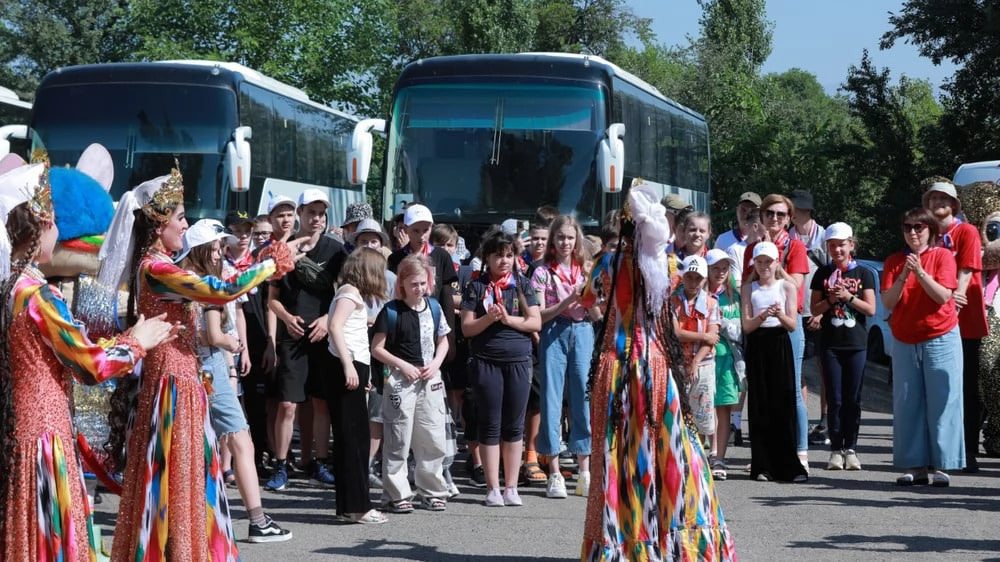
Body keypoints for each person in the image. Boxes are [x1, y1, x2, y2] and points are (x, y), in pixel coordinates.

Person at [98, 166, 294, 559]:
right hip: (171, 383)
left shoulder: (163, 265)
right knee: (178, 471)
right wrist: (270, 264)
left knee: (186, 470)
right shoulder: (156, 268)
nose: (185, 225)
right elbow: (219, 290)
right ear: (159, 225)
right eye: (181, 218)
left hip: (182, 378)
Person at [0, 162, 174, 561]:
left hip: (23, 430)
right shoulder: (37, 296)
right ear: (42, 227)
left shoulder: (12, 286)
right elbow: (90, 364)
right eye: (56, 223)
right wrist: (136, 342)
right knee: (51, 534)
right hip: (44, 437)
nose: (60, 232)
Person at [580, 181, 735, 560]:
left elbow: (587, 300)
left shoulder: (608, 263)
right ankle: (669, 541)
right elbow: (665, 312)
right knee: (670, 450)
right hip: (654, 366)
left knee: (618, 457)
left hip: (616, 367)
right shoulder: (667, 267)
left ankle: (623, 544)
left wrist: (610, 320)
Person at [177, 220, 292, 542]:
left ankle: (191, 520)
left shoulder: (180, 281)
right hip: (210, 366)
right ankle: (257, 519)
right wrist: (231, 344)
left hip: (191, 368)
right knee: (241, 440)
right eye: (214, 249)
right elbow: (213, 335)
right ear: (202, 252)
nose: (219, 254)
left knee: (200, 446)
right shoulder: (207, 283)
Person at [265, 189, 342, 492]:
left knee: (321, 403)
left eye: (321, 213)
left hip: (324, 337)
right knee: (287, 405)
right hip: (292, 338)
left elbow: (347, 295)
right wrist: (285, 318)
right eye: (311, 212)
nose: (316, 218)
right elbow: (271, 299)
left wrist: (327, 320)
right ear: (299, 214)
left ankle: (320, 462)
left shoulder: (337, 251)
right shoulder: (282, 252)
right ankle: (281, 464)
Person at [883, 208, 964, 487]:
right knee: (908, 404)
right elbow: (888, 303)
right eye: (908, 227)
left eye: (919, 227)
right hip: (905, 339)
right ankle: (914, 466)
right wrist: (905, 275)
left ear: (930, 230)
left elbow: (943, 296)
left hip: (940, 336)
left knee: (943, 402)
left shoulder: (942, 256)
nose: (913, 232)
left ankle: (943, 466)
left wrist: (920, 272)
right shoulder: (895, 262)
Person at [461, 232, 541, 506]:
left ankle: (512, 487)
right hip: (486, 362)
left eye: (509, 255)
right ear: (487, 258)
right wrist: (488, 319)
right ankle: (492, 488)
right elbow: (467, 328)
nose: (504, 261)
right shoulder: (476, 286)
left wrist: (508, 320)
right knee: (490, 424)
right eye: (498, 255)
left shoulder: (523, 284)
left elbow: (535, 323)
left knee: (514, 425)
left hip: (519, 361)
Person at [371, 254, 452, 513]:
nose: (418, 289)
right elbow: (377, 348)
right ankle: (396, 494)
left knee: (432, 436)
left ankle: (432, 490)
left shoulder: (434, 308)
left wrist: (436, 363)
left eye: (422, 283)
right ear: (402, 284)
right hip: (401, 380)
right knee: (398, 438)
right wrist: (402, 365)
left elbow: (444, 340)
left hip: (430, 378)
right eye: (413, 284)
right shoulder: (391, 311)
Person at [744, 194, 811, 473]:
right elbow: (747, 283)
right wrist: (761, 253)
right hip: (760, 327)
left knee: (791, 390)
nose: (774, 219)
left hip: (786, 323)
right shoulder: (752, 249)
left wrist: (771, 257)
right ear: (761, 215)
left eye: (781, 215)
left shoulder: (794, 246)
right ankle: (767, 453)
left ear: (789, 219)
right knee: (762, 393)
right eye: (769, 213)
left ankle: (800, 450)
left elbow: (794, 285)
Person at [923, 180, 987, 472]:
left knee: (966, 387)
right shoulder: (927, 234)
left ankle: (968, 449)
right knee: (940, 387)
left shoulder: (966, 230)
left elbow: (968, 267)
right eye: (933, 198)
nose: (937, 202)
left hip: (963, 317)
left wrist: (956, 296)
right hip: (935, 316)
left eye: (943, 198)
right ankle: (942, 448)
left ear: (954, 204)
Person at [531, 215, 595, 498]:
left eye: (570, 237)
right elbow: (540, 315)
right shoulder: (542, 272)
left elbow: (597, 313)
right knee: (552, 398)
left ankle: (584, 468)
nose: (566, 242)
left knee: (582, 395)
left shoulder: (587, 271)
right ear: (553, 242)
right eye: (560, 238)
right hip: (554, 332)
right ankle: (554, 470)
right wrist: (567, 302)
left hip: (582, 330)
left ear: (577, 240)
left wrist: (592, 301)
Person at [326, 247, 390, 524]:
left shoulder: (350, 293)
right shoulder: (350, 293)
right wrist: (349, 365)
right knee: (354, 440)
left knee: (351, 439)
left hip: (354, 367)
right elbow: (335, 327)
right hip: (347, 366)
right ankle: (359, 507)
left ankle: (349, 507)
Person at [809, 222, 876, 471]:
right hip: (830, 344)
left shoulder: (864, 273)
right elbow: (814, 309)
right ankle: (835, 449)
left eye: (842, 245)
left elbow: (871, 309)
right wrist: (831, 299)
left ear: (851, 245)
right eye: (832, 245)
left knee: (853, 398)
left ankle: (852, 448)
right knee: (835, 399)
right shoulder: (822, 273)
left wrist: (849, 297)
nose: (837, 250)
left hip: (856, 344)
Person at [348, 218, 396, 488]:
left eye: (374, 241)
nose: (369, 245)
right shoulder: (348, 277)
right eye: (363, 241)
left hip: (380, 352)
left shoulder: (390, 278)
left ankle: (369, 464)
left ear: (382, 244)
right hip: (354, 350)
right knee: (357, 410)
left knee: (377, 412)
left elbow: (395, 312)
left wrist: (376, 321)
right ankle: (354, 463)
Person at [788, 189, 830, 447]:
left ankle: (825, 421)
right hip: (795, 311)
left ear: (805, 210)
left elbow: (832, 275)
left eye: (794, 209)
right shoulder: (788, 237)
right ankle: (800, 420)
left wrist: (822, 312)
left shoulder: (824, 236)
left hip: (819, 311)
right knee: (798, 369)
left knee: (824, 368)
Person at [671, 255, 721, 445]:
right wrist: (703, 336)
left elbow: (713, 338)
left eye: (698, 278)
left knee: (701, 417)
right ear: (683, 277)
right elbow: (676, 333)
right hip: (678, 365)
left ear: (705, 279)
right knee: (679, 414)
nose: (693, 282)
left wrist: (695, 362)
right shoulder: (673, 302)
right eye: (689, 277)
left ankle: (698, 460)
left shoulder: (711, 303)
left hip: (703, 365)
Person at [705, 248, 743, 481]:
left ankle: (720, 457)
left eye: (724, 268)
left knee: (724, 408)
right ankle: (705, 454)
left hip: (728, 357)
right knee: (703, 408)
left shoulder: (734, 295)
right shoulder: (697, 292)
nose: (720, 273)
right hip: (704, 357)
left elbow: (740, 328)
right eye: (715, 268)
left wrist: (725, 322)